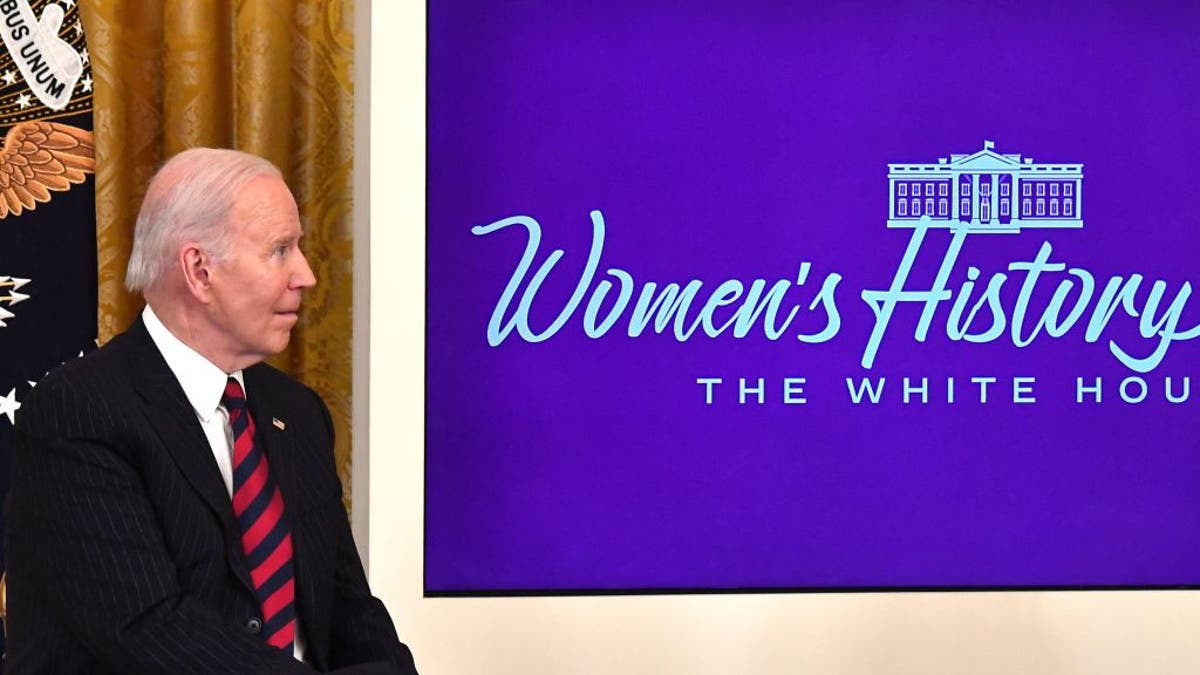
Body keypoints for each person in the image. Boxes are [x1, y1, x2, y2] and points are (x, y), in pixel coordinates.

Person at [4, 148, 419, 674]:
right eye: (280, 250)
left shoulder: (298, 413)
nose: (306, 275)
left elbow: (347, 606)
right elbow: (151, 631)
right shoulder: (79, 413)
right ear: (199, 271)